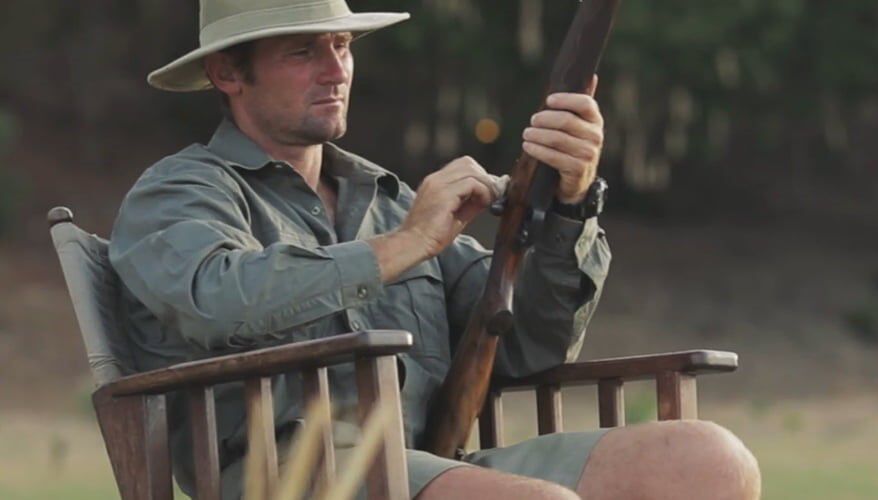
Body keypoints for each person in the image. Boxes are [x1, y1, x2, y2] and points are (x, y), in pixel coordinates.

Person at [110, 1, 761, 498]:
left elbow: (528, 347)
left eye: (342, 45)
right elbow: (218, 300)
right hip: (293, 475)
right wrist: (403, 245)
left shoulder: (384, 198)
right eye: (304, 51)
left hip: (423, 470)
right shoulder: (180, 192)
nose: (337, 70)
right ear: (228, 72)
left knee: (709, 462)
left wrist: (570, 202)